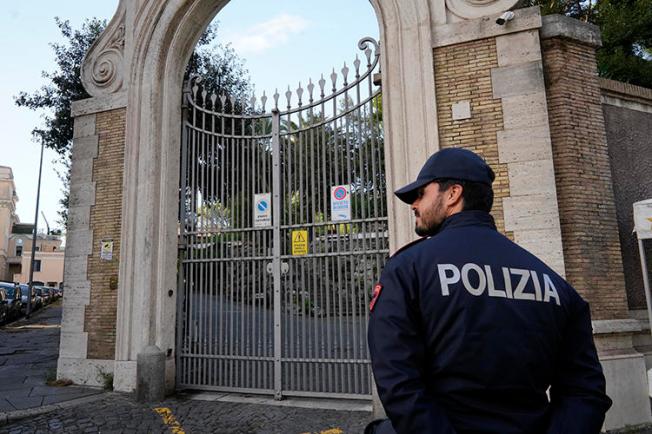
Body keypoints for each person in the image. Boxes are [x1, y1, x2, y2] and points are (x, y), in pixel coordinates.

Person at [366, 148, 612, 434]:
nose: (413, 205)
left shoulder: (408, 270)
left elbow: (398, 381)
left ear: (452, 194)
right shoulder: (553, 284)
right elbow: (585, 392)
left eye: (421, 193)